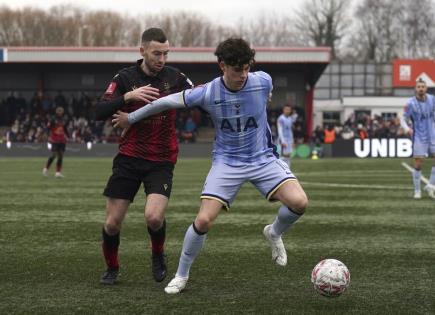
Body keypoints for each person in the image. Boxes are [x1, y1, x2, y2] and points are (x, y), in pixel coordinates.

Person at [112, 37, 308, 294]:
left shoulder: (263, 81)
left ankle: (273, 233)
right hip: (227, 163)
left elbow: (265, 92)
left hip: (263, 159)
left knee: (300, 203)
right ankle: (181, 275)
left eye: (247, 68)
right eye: (238, 69)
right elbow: (164, 102)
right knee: (203, 221)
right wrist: (132, 118)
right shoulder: (207, 93)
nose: (243, 75)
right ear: (222, 66)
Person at [94, 27, 193, 285]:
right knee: (112, 224)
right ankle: (112, 268)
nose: (162, 59)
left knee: (153, 217)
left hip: (161, 159)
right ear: (142, 51)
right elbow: (99, 110)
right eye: (156, 53)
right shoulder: (125, 78)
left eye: (166, 53)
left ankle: (158, 254)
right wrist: (128, 96)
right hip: (128, 158)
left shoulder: (176, 77)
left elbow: (202, 97)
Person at [400, 78, 435, 199]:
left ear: (426, 88)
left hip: (432, 134)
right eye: (419, 87)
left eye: (423, 86)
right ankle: (417, 190)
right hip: (419, 136)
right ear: (416, 89)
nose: (421, 88)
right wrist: (408, 129)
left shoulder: (432, 99)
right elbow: (403, 119)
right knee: (418, 163)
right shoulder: (410, 103)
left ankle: (430, 185)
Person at [42, 106, 69, 178]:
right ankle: (46, 169)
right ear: (56, 112)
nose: (60, 112)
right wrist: (47, 136)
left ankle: (58, 172)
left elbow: (65, 129)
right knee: (54, 155)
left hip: (62, 139)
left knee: (60, 156)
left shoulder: (64, 119)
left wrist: (68, 136)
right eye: (59, 111)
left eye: (61, 111)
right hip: (54, 139)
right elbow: (48, 128)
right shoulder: (53, 119)